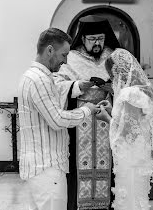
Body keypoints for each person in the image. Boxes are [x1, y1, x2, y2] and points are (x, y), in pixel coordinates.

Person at [18, 28, 110, 210]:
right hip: (47, 167)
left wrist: (79, 88)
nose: (66, 61)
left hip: (43, 165)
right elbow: (57, 120)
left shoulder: (35, 77)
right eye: (63, 55)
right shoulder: (39, 80)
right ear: (50, 50)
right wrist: (86, 110)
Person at [53, 15, 120, 210]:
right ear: (83, 39)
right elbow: (56, 85)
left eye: (100, 38)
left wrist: (111, 88)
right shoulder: (71, 58)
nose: (97, 43)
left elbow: (128, 86)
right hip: (80, 120)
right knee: (78, 164)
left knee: (109, 164)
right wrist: (77, 85)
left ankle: (106, 205)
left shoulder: (113, 56)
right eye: (92, 39)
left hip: (108, 119)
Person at [97, 48, 153, 210]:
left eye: (112, 76)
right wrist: (112, 109)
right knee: (137, 197)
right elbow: (132, 121)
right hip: (139, 153)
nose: (112, 81)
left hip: (130, 155)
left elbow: (127, 131)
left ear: (118, 73)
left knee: (130, 197)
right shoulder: (138, 92)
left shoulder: (128, 94)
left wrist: (106, 118)